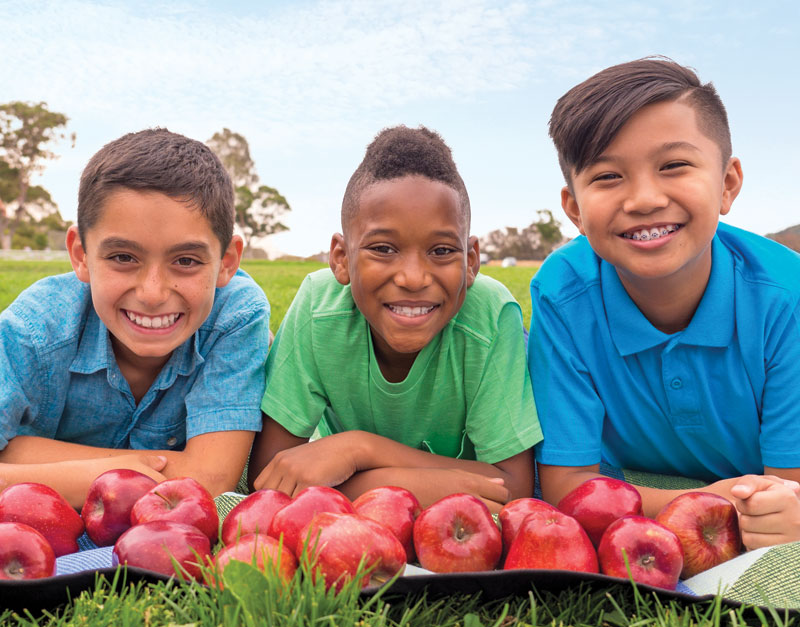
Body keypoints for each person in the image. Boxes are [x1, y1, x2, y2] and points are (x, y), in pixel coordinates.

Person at [530, 57, 800, 549]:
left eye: (673, 166)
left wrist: (777, 513)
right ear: (574, 209)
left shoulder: (786, 297)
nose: (645, 199)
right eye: (608, 176)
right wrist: (704, 504)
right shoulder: (563, 293)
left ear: (727, 184)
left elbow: (786, 492)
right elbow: (568, 487)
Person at [248, 125, 540, 512]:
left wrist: (359, 449)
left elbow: (513, 489)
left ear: (471, 262)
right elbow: (271, 477)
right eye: (383, 248)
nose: (413, 278)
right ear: (341, 258)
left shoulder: (489, 316)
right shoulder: (319, 309)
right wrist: (450, 481)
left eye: (441, 250)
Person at [0, 128, 270, 507]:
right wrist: (129, 470)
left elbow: (211, 478)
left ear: (227, 262)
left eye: (186, 261)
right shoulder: (37, 327)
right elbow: (190, 483)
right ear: (80, 255)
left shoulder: (235, 315)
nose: (152, 292)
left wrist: (19, 455)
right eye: (123, 258)